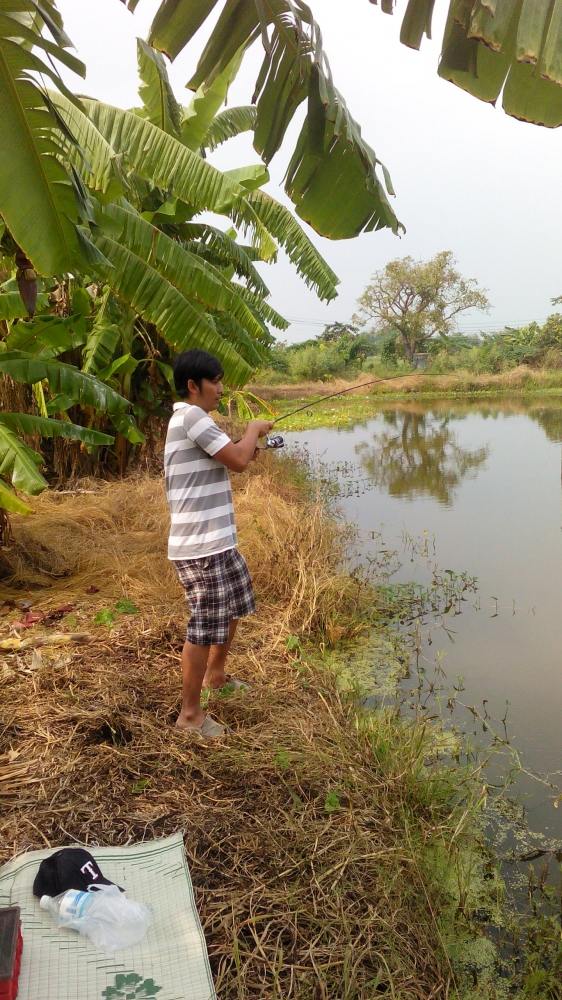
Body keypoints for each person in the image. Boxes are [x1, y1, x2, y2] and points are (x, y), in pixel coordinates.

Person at [164, 349, 274, 739]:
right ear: (193, 386)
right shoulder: (191, 415)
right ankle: (189, 716)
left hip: (219, 542)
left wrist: (247, 446)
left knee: (235, 606)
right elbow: (240, 460)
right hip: (200, 547)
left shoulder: (196, 421)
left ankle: (217, 676)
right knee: (204, 625)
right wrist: (253, 430)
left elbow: (232, 458)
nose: (220, 389)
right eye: (215, 382)